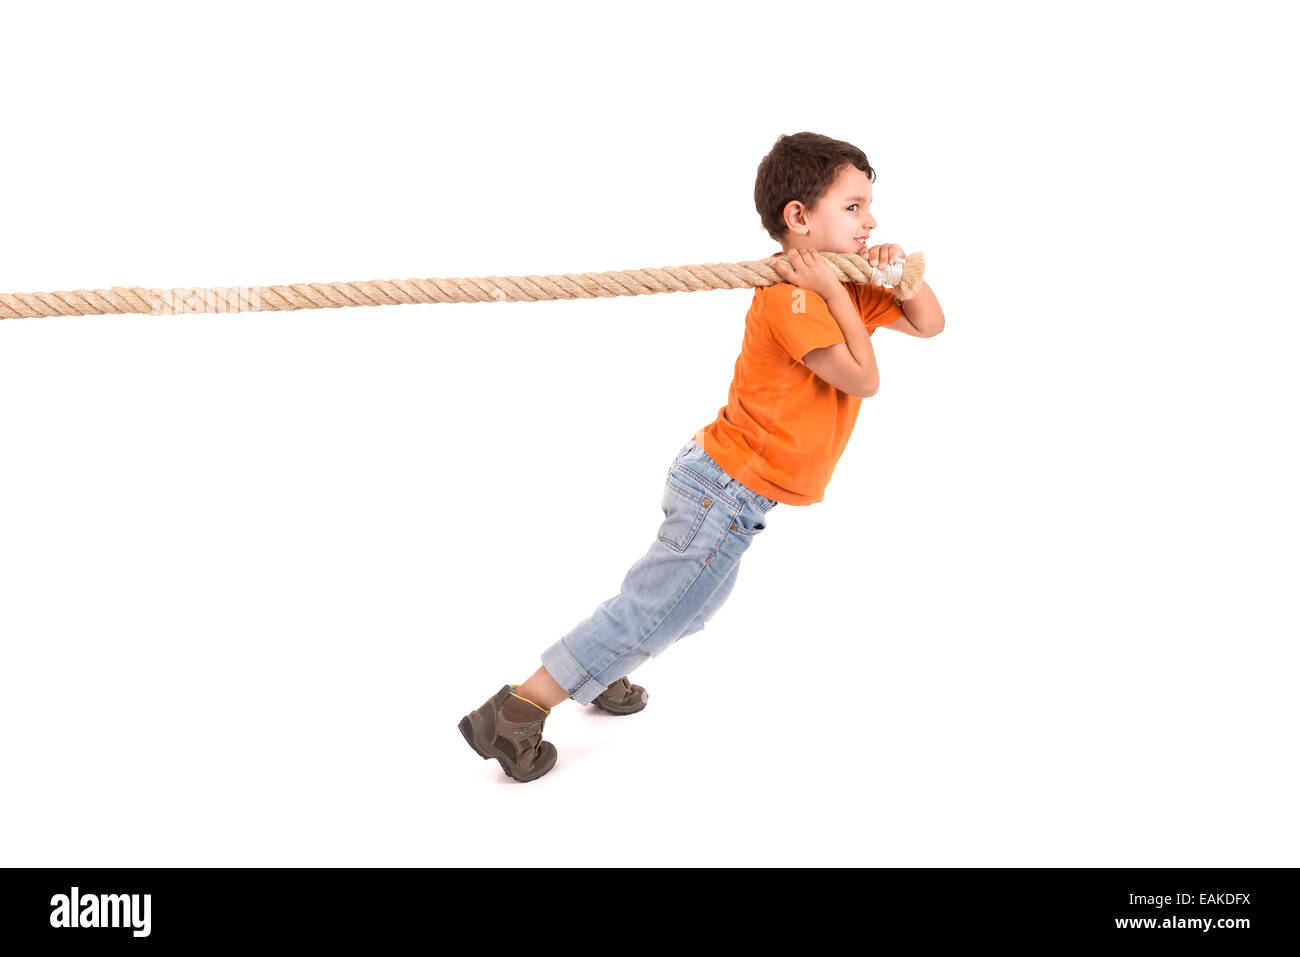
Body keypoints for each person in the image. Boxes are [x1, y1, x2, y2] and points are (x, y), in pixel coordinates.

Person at [458, 131, 947, 782]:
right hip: (726, 487)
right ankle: (517, 711)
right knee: (656, 606)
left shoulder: (845, 285)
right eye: (854, 207)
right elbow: (864, 377)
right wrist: (835, 293)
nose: (871, 219)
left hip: (735, 489)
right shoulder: (796, 293)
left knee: (685, 604)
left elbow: (929, 322)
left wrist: (900, 274)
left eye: (870, 207)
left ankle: (605, 664)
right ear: (798, 218)